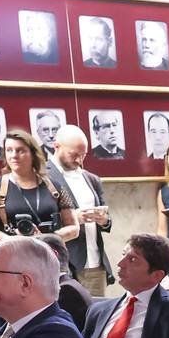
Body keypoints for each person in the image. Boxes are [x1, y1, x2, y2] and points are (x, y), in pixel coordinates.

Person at [0, 130, 77, 246]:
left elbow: (73, 228)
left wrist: (45, 239)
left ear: (33, 154)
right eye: (9, 150)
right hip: (11, 252)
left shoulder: (55, 187)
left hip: (49, 252)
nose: (14, 155)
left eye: (20, 150)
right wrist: (14, 241)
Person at [48, 125, 114, 291]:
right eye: (74, 155)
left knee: (97, 307)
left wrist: (104, 220)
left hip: (95, 264)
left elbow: (107, 218)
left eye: (83, 155)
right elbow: (40, 220)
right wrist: (71, 220)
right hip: (63, 264)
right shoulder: (41, 177)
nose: (79, 160)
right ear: (57, 147)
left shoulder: (91, 178)